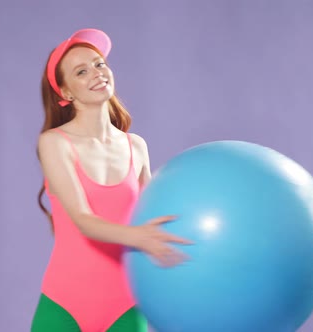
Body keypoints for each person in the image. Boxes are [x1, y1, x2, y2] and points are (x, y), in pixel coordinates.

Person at [31, 28, 192, 332]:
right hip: (64, 302)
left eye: (99, 63)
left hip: (126, 304)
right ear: (66, 93)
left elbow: (152, 215)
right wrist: (140, 237)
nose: (96, 73)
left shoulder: (136, 146)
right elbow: (82, 219)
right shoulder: (54, 143)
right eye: (81, 71)